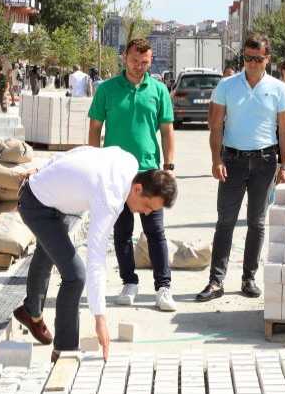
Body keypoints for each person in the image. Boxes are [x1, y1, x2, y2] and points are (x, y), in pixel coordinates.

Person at [12, 146, 178, 361]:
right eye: (147, 206)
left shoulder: (129, 161)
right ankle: (65, 349)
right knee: (76, 275)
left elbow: (83, 151)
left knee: (48, 252)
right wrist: (100, 317)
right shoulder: (110, 198)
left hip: (58, 202)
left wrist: (47, 168)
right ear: (137, 189)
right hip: (37, 206)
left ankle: (30, 312)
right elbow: (96, 259)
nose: (146, 213)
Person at [196, 33, 285, 302]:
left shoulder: (278, 89)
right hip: (232, 162)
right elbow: (215, 126)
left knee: (257, 223)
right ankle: (216, 281)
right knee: (225, 222)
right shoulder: (226, 86)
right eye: (248, 58)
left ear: (267, 59)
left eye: (257, 59)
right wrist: (216, 160)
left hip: (265, 162)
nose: (251, 63)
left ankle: (248, 278)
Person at [88, 38, 177, 313]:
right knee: (122, 232)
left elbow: (167, 131)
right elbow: (95, 128)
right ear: (124, 58)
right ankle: (129, 283)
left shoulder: (159, 90)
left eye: (145, 63)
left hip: (149, 171)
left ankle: (163, 287)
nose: (140, 67)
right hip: (115, 173)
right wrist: (95, 163)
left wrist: (168, 166)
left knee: (155, 232)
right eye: (135, 61)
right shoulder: (107, 90)